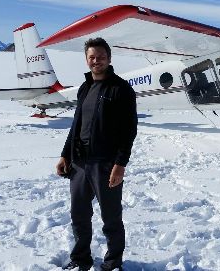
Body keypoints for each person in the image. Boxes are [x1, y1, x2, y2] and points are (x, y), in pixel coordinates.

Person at [56, 37, 137, 271]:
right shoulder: (85, 87)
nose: (96, 61)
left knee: (111, 218)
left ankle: (113, 263)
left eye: (100, 56)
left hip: (106, 164)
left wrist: (120, 164)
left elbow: (129, 130)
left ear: (109, 59)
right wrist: (65, 155)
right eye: (92, 57)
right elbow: (76, 125)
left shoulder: (121, 89)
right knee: (79, 215)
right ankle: (81, 259)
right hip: (80, 164)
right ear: (86, 59)